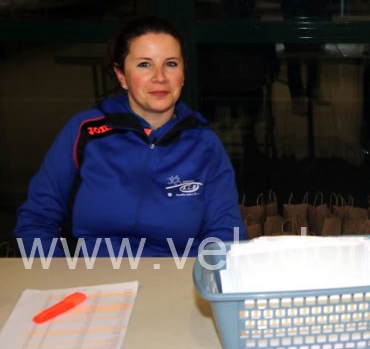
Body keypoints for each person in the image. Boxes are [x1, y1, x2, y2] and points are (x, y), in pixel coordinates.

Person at [14, 15, 246, 258]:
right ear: (121, 76)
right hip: (91, 275)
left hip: (175, 275)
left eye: (171, 64)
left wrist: (192, 274)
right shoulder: (85, 132)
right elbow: (36, 219)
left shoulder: (204, 145)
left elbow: (225, 234)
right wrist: (61, 273)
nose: (160, 77)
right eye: (144, 64)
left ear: (183, 73)